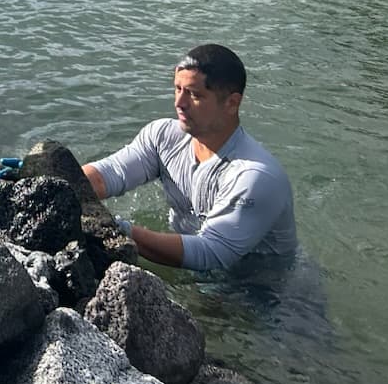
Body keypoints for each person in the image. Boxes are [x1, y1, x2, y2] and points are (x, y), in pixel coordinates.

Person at [82, 44, 298, 272]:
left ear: (232, 103)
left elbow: (211, 253)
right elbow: (112, 172)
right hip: (200, 273)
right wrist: (64, 187)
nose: (179, 103)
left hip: (266, 295)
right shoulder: (163, 136)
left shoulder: (255, 176)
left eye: (194, 95)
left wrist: (118, 230)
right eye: (177, 89)